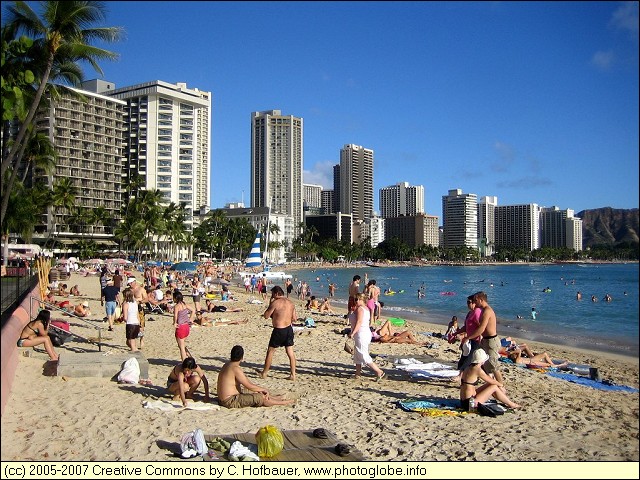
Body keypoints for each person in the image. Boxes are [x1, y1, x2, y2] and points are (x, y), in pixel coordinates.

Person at [217, 345, 295, 408]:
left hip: (224, 398)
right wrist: (264, 389)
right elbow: (248, 385)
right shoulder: (236, 369)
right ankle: (283, 402)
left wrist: (260, 390)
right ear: (242, 357)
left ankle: (276, 398)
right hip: (230, 400)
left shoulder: (226, 365)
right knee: (260, 397)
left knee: (255, 391)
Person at [463, 291, 504, 384]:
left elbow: (481, 328)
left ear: (481, 300)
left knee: (493, 365)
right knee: (480, 361)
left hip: (491, 340)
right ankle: (486, 381)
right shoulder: (482, 310)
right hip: (485, 340)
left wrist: (468, 337)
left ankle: (501, 385)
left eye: (475, 300)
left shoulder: (487, 311)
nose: (474, 302)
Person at [260, 285, 297, 381]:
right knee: (290, 352)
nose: (272, 296)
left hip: (279, 330)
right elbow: (294, 319)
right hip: (289, 329)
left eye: (272, 294)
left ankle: (264, 373)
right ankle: (293, 374)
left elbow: (266, 316)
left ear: (276, 293)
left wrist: (270, 303)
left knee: (270, 351)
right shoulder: (291, 303)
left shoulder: (275, 303)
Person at [348, 293, 385, 380]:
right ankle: (358, 374)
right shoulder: (365, 308)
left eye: (357, 299)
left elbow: (359, 322)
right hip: (363, 333)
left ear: (362, 300)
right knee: (358, 354)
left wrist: (352, 333)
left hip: (362, 334)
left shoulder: (361, 309)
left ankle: (379, 372)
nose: (355, 301)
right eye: (355, 299)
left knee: (363, 355)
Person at [173, 291, 194, 361]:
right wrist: (190, 319)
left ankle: (185, 363)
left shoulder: (177, 306)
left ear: (176, 298)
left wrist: (174, 323)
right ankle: (190, 357)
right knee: (182, 345)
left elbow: (175, 315)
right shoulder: (185, 304)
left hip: (181, 327)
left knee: (181, 347)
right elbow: (193, 310)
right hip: (186, 327)